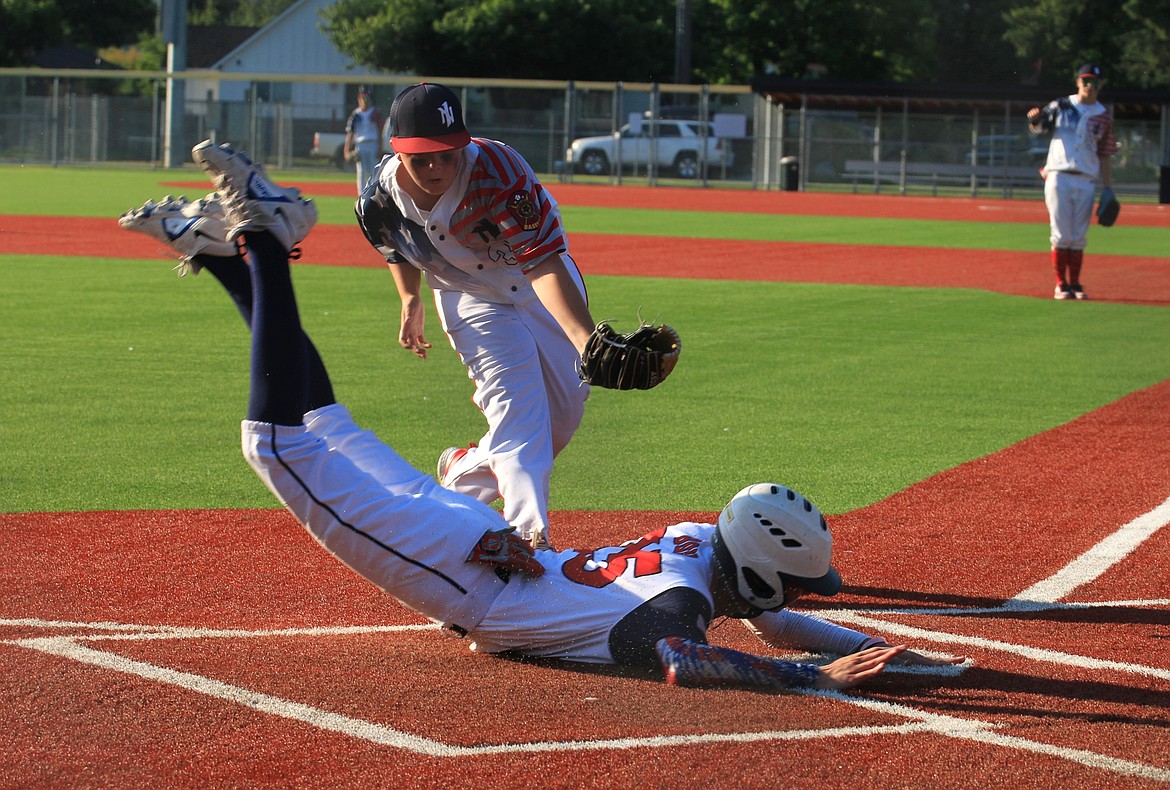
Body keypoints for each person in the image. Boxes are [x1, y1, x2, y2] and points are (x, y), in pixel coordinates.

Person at [118, 141, 962, 692]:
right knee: (277, 440)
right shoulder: (678, 605)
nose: (795, 599)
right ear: (760, 572)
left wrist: (903, 658)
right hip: (466, 574)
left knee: (323, 423)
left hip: (482, 548)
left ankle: (228, 258)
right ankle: (262, 242)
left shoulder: (696, 542)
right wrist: (816, 679)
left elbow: (776, 616)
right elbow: (690, 660)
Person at [355, 82, 600, 550]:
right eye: (420, 157)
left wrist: (586, 340)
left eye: (447, 154)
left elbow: (543, 262)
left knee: (558, 424)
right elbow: (395, 250)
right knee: (520, 415)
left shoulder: (499, 171)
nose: (435, 167)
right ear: (396, 150)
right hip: (470, 298)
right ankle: (530, 536)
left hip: (538, 286)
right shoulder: (376, 204)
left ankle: (460, 474)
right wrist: (410, 299)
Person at [1027, 63, 1120, 300]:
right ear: (1078, 82)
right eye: (1086, 81)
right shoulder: (1062, 105)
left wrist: (1108, 187)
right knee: (1060, 233)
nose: (1090, 85)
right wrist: (1034, 119)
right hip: (1059, 176)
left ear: (1101, 85)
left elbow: (1105, 154)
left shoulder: (1103, 115)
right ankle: (1061, 284)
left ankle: (1076, 284)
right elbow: (1039, 126)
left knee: (1078, 235)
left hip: (1086, 180)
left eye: (1095, 82)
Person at [344, 87, 385, 193]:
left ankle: (374, 194)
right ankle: (361, 195)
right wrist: (347, 149)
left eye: (367, 98)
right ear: (359, 99)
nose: (365, 100)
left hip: (373, 143)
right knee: (361, 172)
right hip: (360, 144)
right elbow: (350, 132)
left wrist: (380, 146)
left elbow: (380, 131)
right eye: (362, 97)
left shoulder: (375, 113)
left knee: (374, 170)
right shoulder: (356, 114)